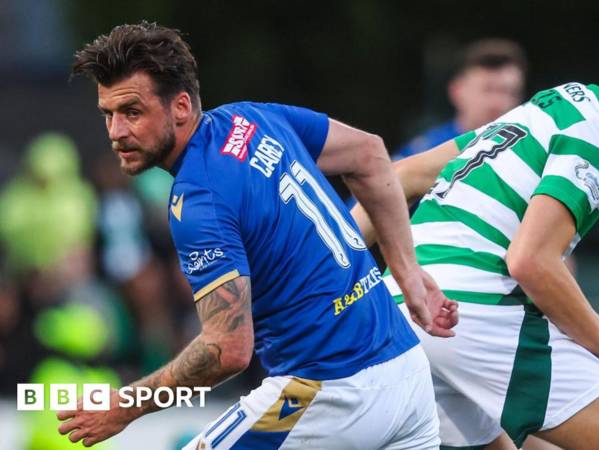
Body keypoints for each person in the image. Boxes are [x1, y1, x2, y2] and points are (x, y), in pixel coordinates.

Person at [352, 4, 599, 449]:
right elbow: (530, 261)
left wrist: (337, 279)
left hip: (408, 311)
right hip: (476, 312)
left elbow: (397, 178)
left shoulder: (556, 103)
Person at [61, 21, 457, 449]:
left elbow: (227, 350)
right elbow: (369, 153)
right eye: (109, 115)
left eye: (132, 112)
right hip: (407, 373)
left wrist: (126, 406)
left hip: (322, 395)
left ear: (179, 107)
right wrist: (408, 274)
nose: (117, 132)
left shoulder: (199, 199)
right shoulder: (250, 118)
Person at [393, 38, 527, 161]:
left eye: (510, 92)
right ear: (457, 92)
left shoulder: (531, 153)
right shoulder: (422, 153)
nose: (498, 103)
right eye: (488, 90)